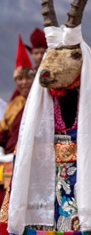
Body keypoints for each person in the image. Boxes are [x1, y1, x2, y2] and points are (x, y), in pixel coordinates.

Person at [0, 35, 36, 204]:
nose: (24, 82)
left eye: (27, 78)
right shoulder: (13, 105)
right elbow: (4, 133)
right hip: (8, 163)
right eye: (19, 79)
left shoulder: (41, 102)